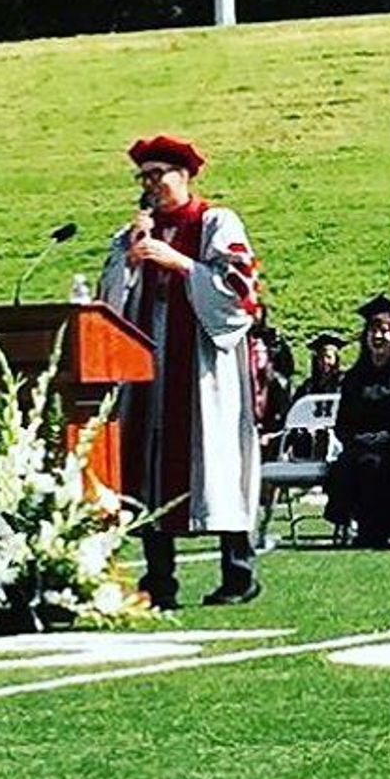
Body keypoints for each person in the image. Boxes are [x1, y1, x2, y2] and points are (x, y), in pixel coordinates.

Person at [98, 134, 262, 609]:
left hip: (203, 369)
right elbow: (110, 303)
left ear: (184, 176)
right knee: (147, 465)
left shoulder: (215, 221)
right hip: (147, 365)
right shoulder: (131, 233)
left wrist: (183, 265)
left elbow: (240, 289)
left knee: (216, 461)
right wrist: (128, 264)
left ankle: (238, 571)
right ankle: (160, 578)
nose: (152, 186)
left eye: (159, 175)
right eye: (144, 178)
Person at [324, 296, 390, 548]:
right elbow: (343, 425)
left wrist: (388, 438)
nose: (379, 336)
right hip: (363, 445)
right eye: (374, 330)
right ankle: (371, 531)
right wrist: (362, 440)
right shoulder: (354, 378)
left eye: (385, 330)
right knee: (365, 462)